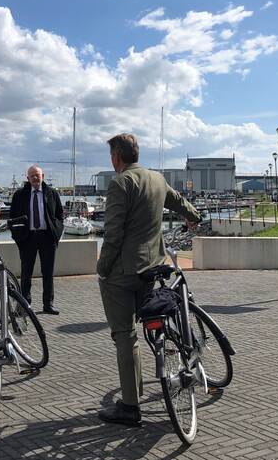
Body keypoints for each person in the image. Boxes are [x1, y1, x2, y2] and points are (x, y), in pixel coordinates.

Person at [96, 133, 202, 426]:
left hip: (122, 273)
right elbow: (179, 202)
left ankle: (130, 405)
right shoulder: (156, 178)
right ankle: (159, 367)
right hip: (153, 267)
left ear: (117, 157)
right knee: (151, 322)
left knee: (125, 336)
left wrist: (102, 268)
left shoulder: (120, 183)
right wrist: (195, 216)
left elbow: (114, 233)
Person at [9, 164, 65, 315]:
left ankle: (48, 304)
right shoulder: (19, 195)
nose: (35, 178)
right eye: (32, 175)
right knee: (26, 274)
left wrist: (56, 233)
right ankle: (25, 305)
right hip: (28, 238)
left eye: (37, 175)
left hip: (47, 238)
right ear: (27, 178)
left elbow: (60, 215)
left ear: (43, 176)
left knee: (48, 273)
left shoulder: (52, 193)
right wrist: (18, 237)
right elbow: (12, 218)